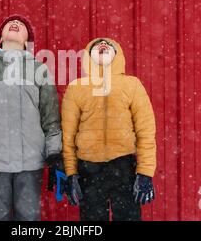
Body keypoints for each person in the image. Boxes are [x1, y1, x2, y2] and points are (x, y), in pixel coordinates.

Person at [0, 14, 64, 221]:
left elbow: (50, 117)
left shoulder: (39, 69)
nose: (14, 24)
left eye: (21, 25)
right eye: (9, 23)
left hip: (31, 165)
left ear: (26, 41)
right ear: (0, 39)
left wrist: (55, 156)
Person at [61, 38, 157, 221]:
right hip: (88, 169)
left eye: (108, 45)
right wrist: (71, 172)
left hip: (124, 167)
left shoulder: (132, 84)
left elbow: (145, 131)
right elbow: (68, 136)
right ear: (89, 56)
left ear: (118, 55)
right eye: (96, 46)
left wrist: (145, 172)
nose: (103, 45)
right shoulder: (76, 88)